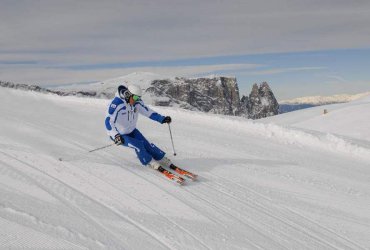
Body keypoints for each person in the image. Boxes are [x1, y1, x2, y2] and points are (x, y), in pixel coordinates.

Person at [105, 84, 173, 170]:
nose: (137, 100)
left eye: (139, 98)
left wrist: (162, 119)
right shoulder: (116, 104)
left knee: (146, 144)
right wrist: (116, 136)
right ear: (127, 94)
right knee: (138, 145)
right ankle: (149, 161)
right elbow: (108, 121)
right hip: (120, 135)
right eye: (136, 98)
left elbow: (148, 112)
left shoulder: (136, 102)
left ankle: (160, 158)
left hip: (132, 131)